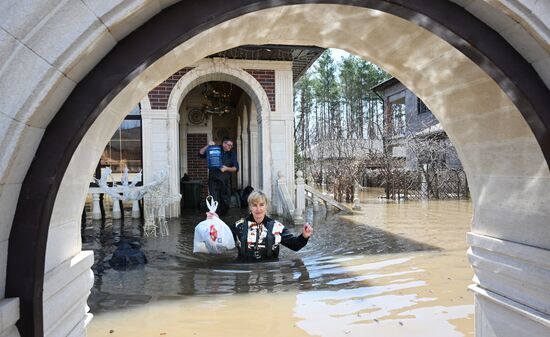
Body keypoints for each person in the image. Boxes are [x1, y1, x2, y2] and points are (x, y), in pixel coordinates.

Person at [207, 190, 313, 261]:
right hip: (244, 269)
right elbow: (220, 241)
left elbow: (295, 245)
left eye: (261, 205)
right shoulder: (239, 226)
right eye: (255, 205)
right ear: (250, 207)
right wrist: (214, 223)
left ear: (266, 206)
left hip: (270, 271)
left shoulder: (277, 227)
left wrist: (304, 236)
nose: (258, 209)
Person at [199, 137, 239, 214]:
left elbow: (236, 168)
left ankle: (224, 218)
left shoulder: (232, 153)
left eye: (231, 145)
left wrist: (227, 168)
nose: (230, 147)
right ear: (224, 144)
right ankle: (215, 218)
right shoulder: (214, 149)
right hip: (214, 180)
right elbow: (200, 153)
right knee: (214, 200)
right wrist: (208, 146)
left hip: (225, 181)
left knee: (226, 201)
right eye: (229, 145)